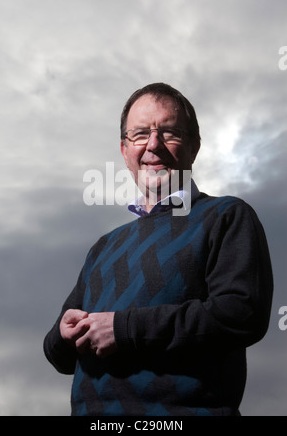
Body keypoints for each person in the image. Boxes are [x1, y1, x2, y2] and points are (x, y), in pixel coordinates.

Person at [43, 82, 273, 416]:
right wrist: (63, 335)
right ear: (124, 151)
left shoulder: (226, 217)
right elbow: (60, 357)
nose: (153, 145)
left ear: (194, 147)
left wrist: (124, 330)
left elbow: (241, 314)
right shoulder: (104, 247)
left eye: (169, 133)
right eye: (139, 134)